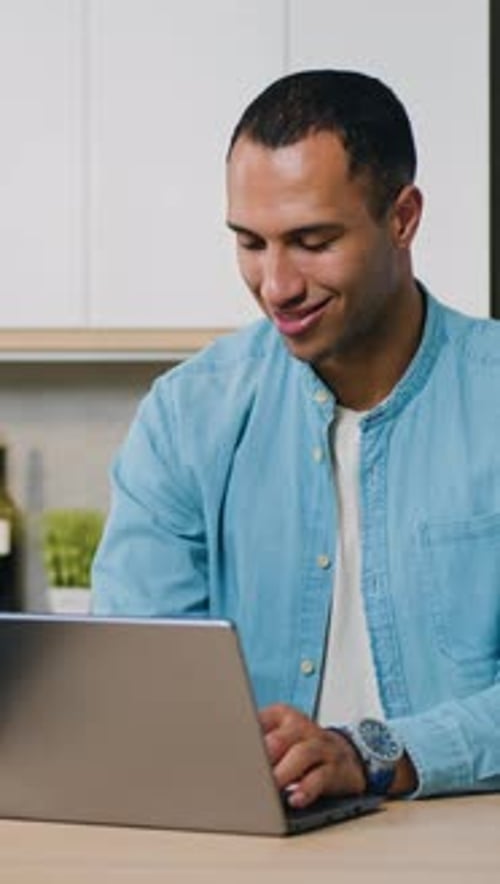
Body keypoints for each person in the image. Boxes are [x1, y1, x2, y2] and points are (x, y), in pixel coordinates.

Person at [92, 70, 500, 808]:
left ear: (402, 217)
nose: (276, 284)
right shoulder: (187, 418)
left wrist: (373, 754)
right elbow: (135, 685)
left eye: (312, 242)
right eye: (250, 243)